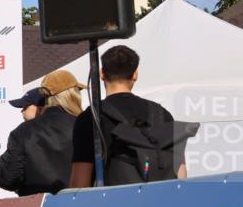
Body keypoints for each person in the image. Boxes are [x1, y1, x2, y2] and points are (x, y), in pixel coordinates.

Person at [71, 46, 187, 188]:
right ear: (135, 75)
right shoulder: (162, 114)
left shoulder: (91, 118)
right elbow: (181, 174)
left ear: (102, 73)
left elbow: (79, 183)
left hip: (113, 205)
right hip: (160, 203)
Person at [0, 70, 86, 196]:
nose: (22, 112)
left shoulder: (23, 132)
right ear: (73, 96)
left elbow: (6, 179)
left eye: (24, 107)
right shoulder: (87, 126)